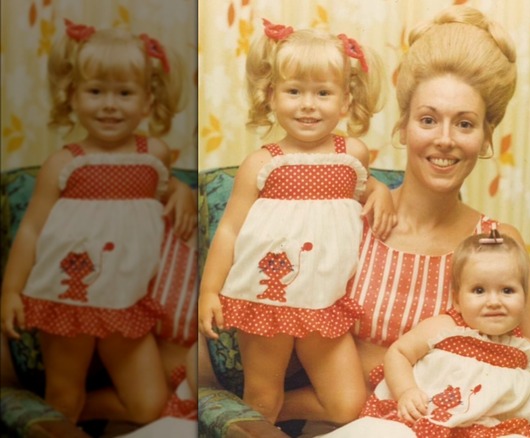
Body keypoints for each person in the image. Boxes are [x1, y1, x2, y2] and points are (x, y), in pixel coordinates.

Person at [265, 6, 530, 436]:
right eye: (428, 119)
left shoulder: (497, 243)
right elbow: (266, 319)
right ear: (403, 126)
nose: (444, 139)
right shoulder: (348, 219)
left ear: (485, 138)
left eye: (464, 124)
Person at [197, 18, 396, 426]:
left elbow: (366, 186)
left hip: (324, 299)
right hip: (266, 298)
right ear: (272, 96)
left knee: (347, 405)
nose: (308, 104)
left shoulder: (353, 155)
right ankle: (255, 415)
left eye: (323, 93)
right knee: (264, 395)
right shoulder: (262, 163)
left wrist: (381, 191)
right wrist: (209, 291)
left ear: (345, 101)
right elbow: (231, 229)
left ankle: (242, 416)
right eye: (294, 91)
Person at [0, 19, 184, 425]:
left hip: (126, 300)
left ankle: (73, 413)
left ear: (147, 102)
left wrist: (183, 194)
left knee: (150, 407)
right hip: (68, 298)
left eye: (124, 93)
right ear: (73, 96)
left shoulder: (154, 155)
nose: (109, 105)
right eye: (95, 91)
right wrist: (11, 291)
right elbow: (31, 229)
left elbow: (167, 190)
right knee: (64, 394)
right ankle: (64, 412)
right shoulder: (64, 163)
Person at [324, 230, 530, 437]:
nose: (494, 301)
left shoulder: (525, 350)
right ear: (457, 299)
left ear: (524, 298)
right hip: (427, 422)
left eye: (507, 291)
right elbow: (400, 352)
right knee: (384, 432)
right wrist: (406, 391)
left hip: (493, 431)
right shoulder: (445, 328)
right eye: (479, 290)